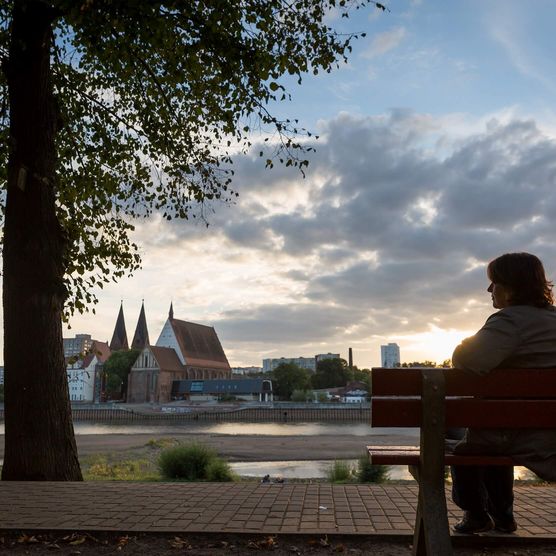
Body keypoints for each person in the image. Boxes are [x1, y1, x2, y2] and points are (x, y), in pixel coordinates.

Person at [449, 252, 556, 534]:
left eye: (493, 282)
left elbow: (467, 360)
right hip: (550, 434)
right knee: (491, 435)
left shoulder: (509, 322)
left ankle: (477, 515)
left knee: (469, 447)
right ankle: (503, 516)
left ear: (510, 287)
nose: (489, 290)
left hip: (517, 434)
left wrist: (462, 345)